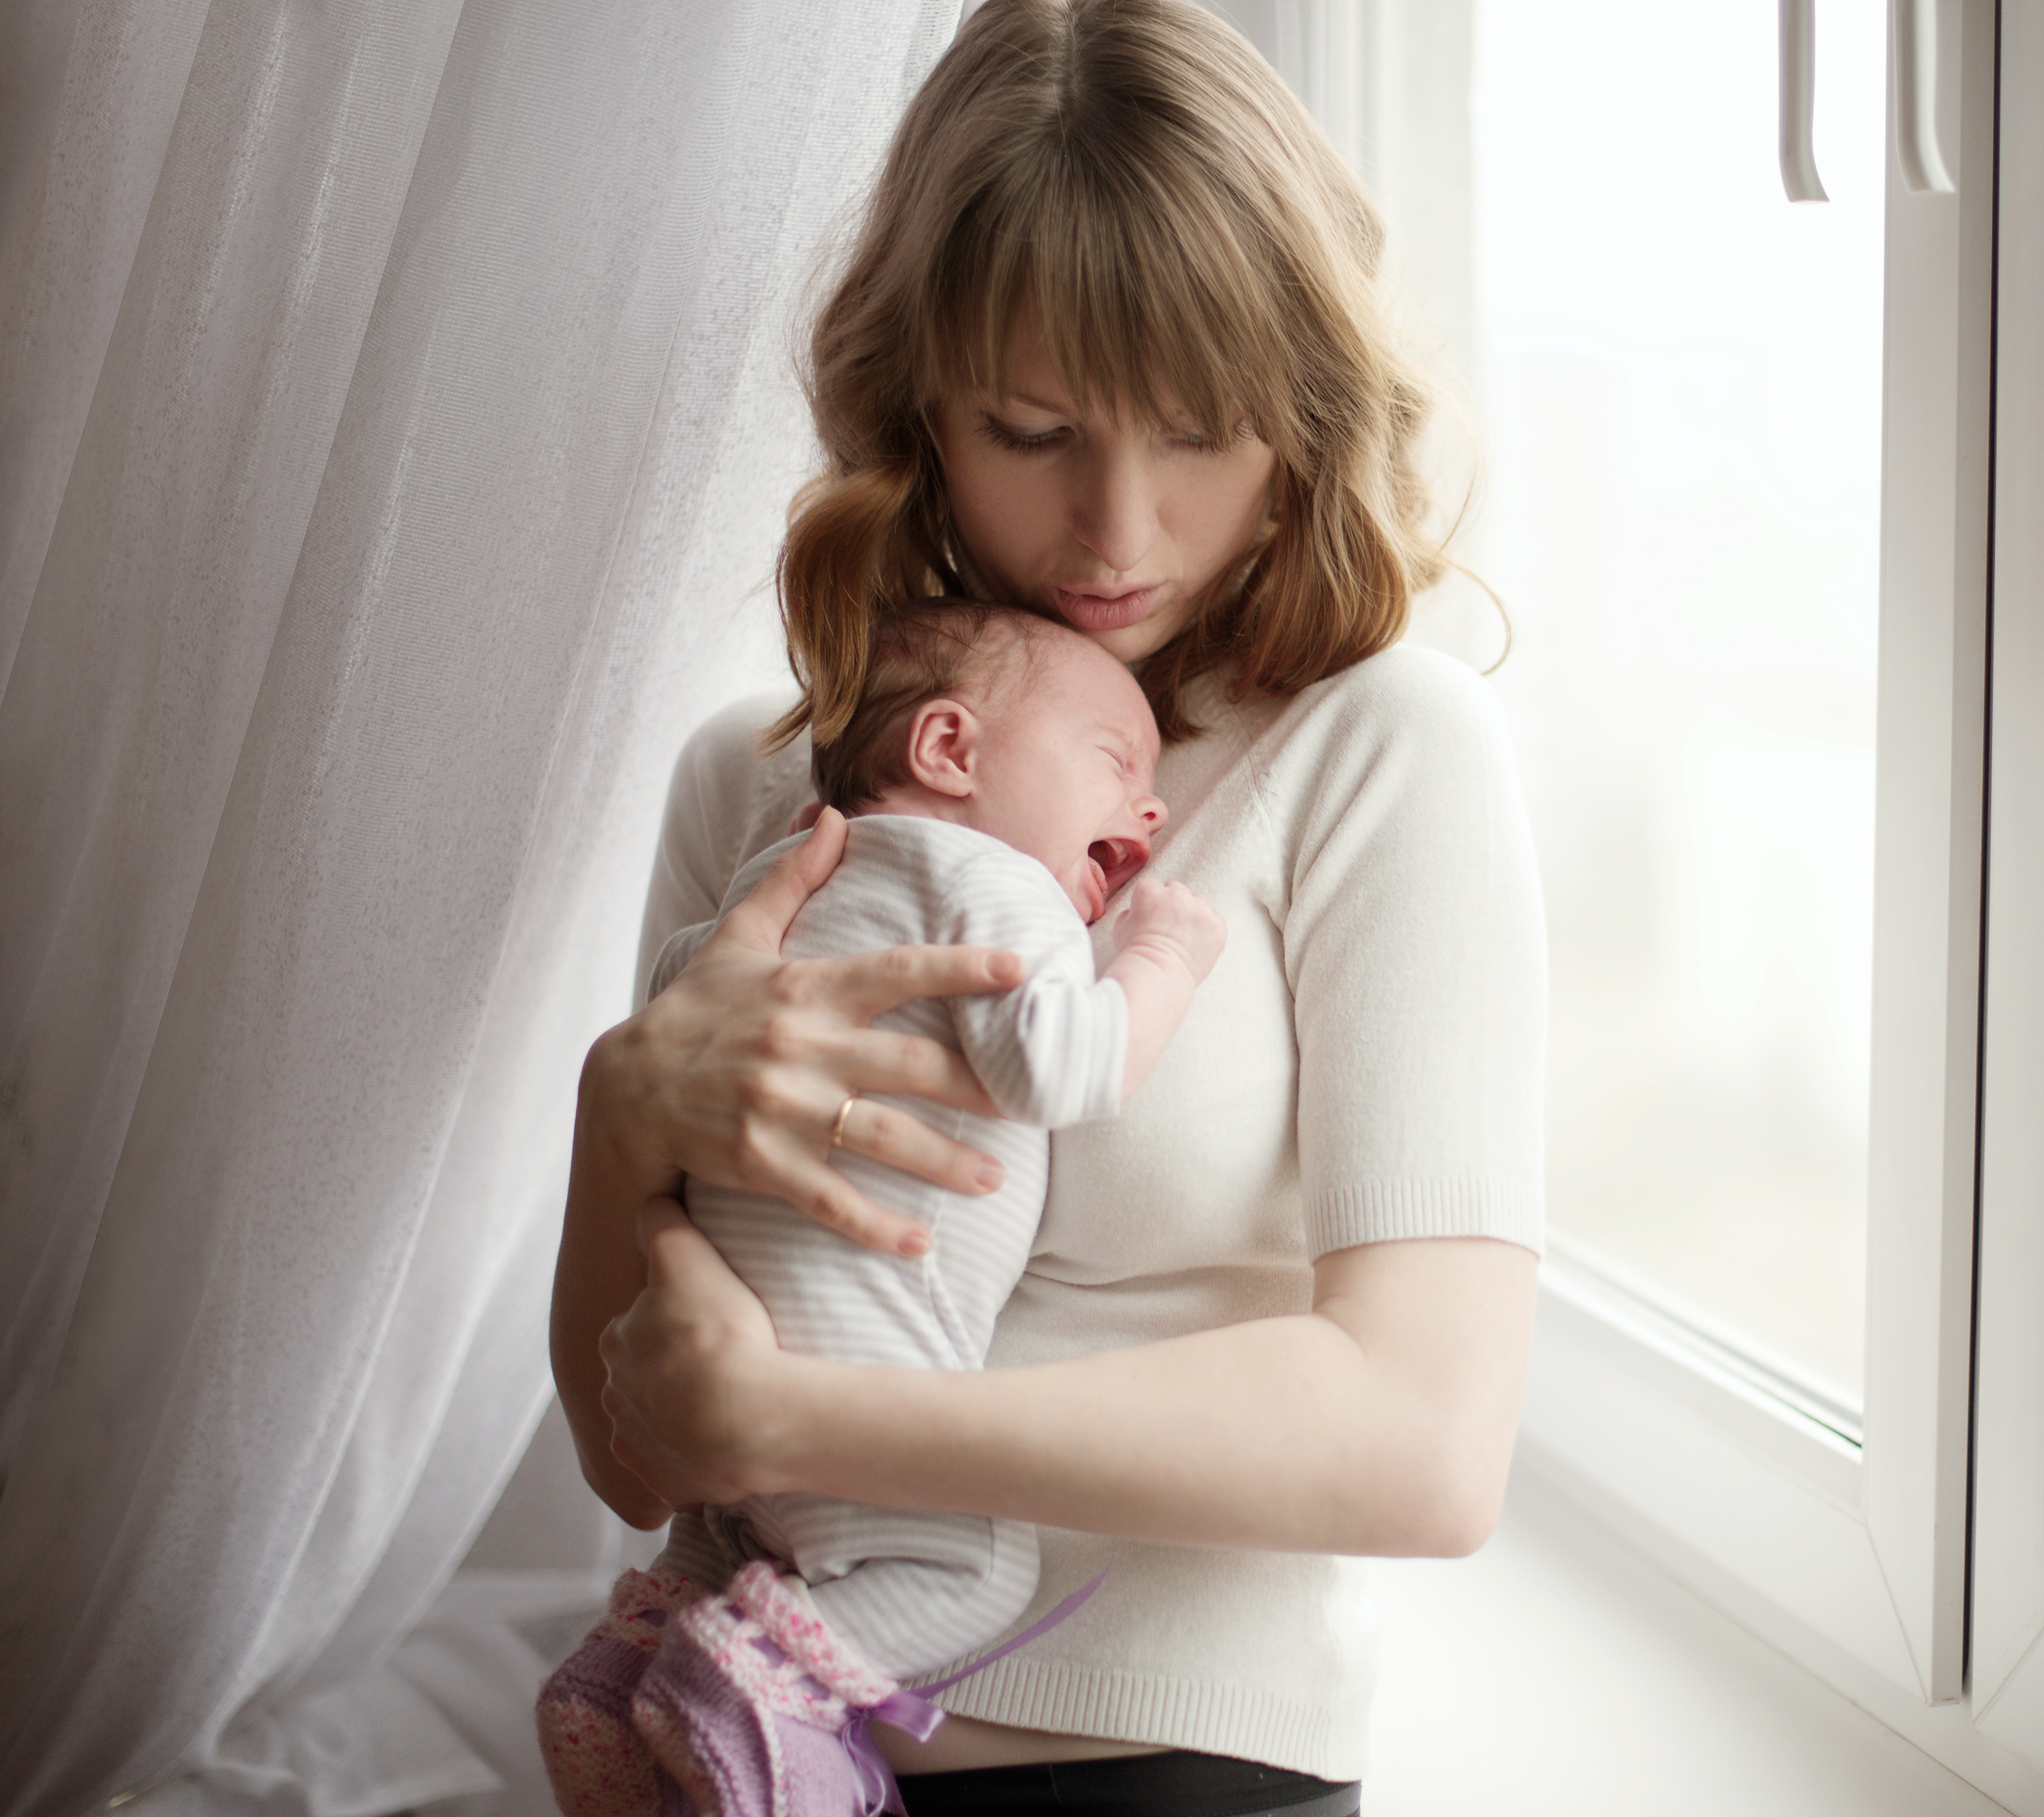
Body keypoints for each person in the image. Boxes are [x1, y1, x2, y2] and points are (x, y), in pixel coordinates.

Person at [548, 1, 1546, 1811]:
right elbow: (636, 1453)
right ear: (916, 400)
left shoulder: (1385, 750)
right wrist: (620, 1110)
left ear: (1305, 415)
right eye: (1032, 429)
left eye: (1201, 434)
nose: (1117, 529)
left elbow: (1426, 1446)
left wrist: (815, 1422)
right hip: (727, 1756)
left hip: (1171, 1765)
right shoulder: (757, 788)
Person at [538, 604, 1226, 1817]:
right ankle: (743, 1690)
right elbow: (1060, 1069)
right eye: (1119, 764)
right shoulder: (1000, 884)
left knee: (736, 1537)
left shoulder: (776, 879)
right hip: (863, 1333)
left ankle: (631, 1656)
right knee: (969, 1560)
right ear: (951, 752)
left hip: (718, 1333)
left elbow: (668, 1029)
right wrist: (1158, 959)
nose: (1151, 809)